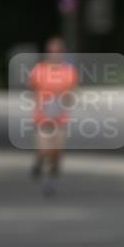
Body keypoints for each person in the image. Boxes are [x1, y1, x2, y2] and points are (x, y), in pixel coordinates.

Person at [28, 37, 78, 196]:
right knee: (45, 150)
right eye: (51, 51)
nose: (54, 54)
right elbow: (32, 89)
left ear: (62, 53)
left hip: (60, 118)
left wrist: (63, 102)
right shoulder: (39, 70)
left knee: (57, 152)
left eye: (57, 51)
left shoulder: (69, 72)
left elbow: (71, 92)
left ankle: (52, 179)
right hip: (42, 118)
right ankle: (43, 169)